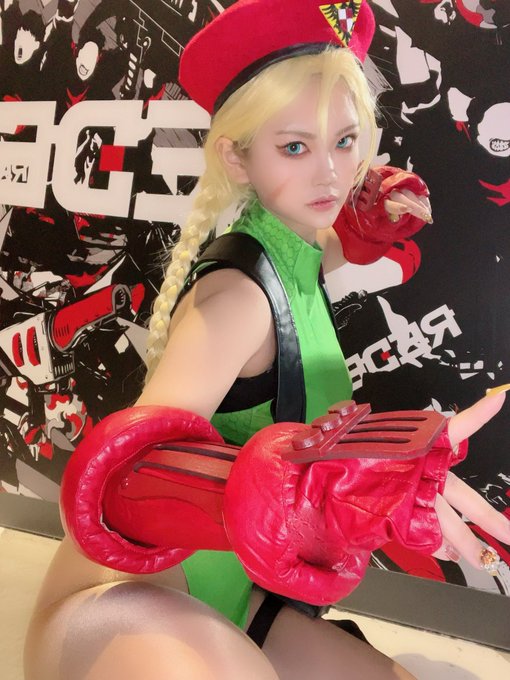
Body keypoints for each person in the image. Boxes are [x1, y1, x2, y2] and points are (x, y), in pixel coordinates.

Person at [26, 2, 510, 679]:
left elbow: (315, 260)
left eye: (345, 140)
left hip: (229, 591)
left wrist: (362, 231)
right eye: (295, 147)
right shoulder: (237, 301)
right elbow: (124, 481)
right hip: (122, 602)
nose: (331, 174)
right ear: (238, 156)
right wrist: (301, 492)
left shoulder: (290, 248)